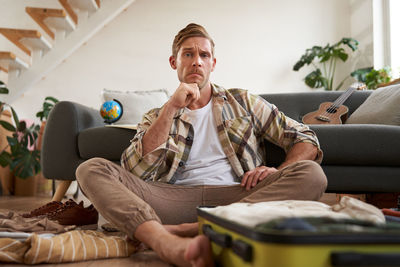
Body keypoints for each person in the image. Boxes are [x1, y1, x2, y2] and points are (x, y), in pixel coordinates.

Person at [76, 23, 327, 267]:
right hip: (171, 199)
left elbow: (305, 137)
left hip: (238, 196)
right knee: (91, 168)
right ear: (174, 62)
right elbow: (134, 172)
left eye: (204, 55)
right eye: (188, 54)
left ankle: (188, 230)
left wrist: (279, 170)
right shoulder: (156, 116)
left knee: (312, 175)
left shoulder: (243, 101)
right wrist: (171, 108)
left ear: (212, 64)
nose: (197, 61)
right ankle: (166, 242)